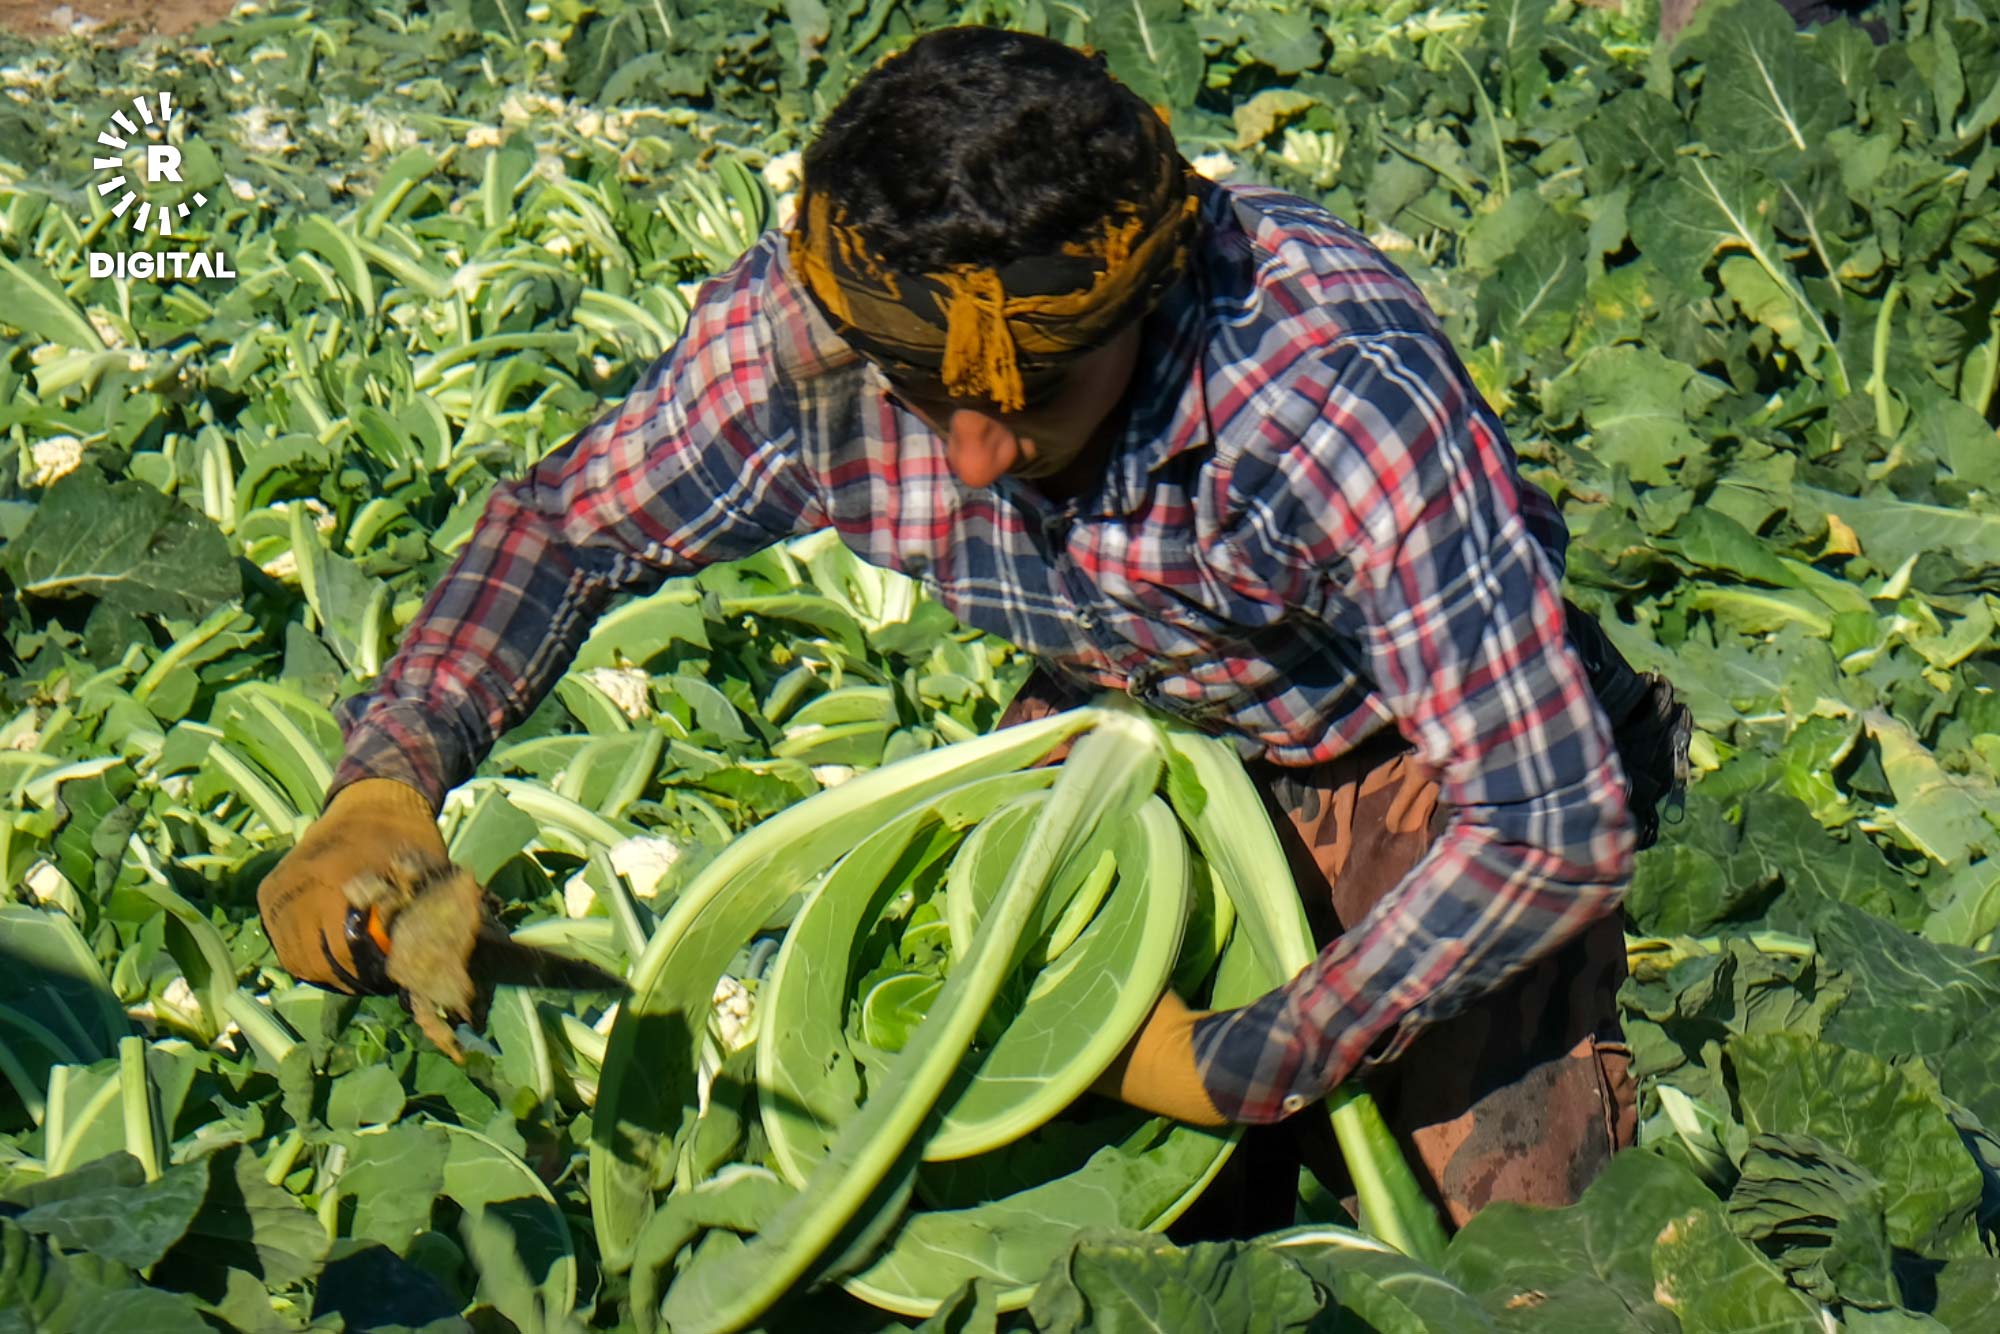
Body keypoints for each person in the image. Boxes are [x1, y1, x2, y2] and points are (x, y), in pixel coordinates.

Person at [256, 26, 1692, 1229]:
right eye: (926, 399)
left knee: (1520, 1236)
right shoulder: (819, 338)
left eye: (1034, 398)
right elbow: (568, 530)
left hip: (1408, 749)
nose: (977, 458)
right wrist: (388, 775)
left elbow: (1543, 820)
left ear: (1146, 302)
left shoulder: (1324, 395)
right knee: (1001, 1215)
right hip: (1123, 732)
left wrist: (1245, 1058)